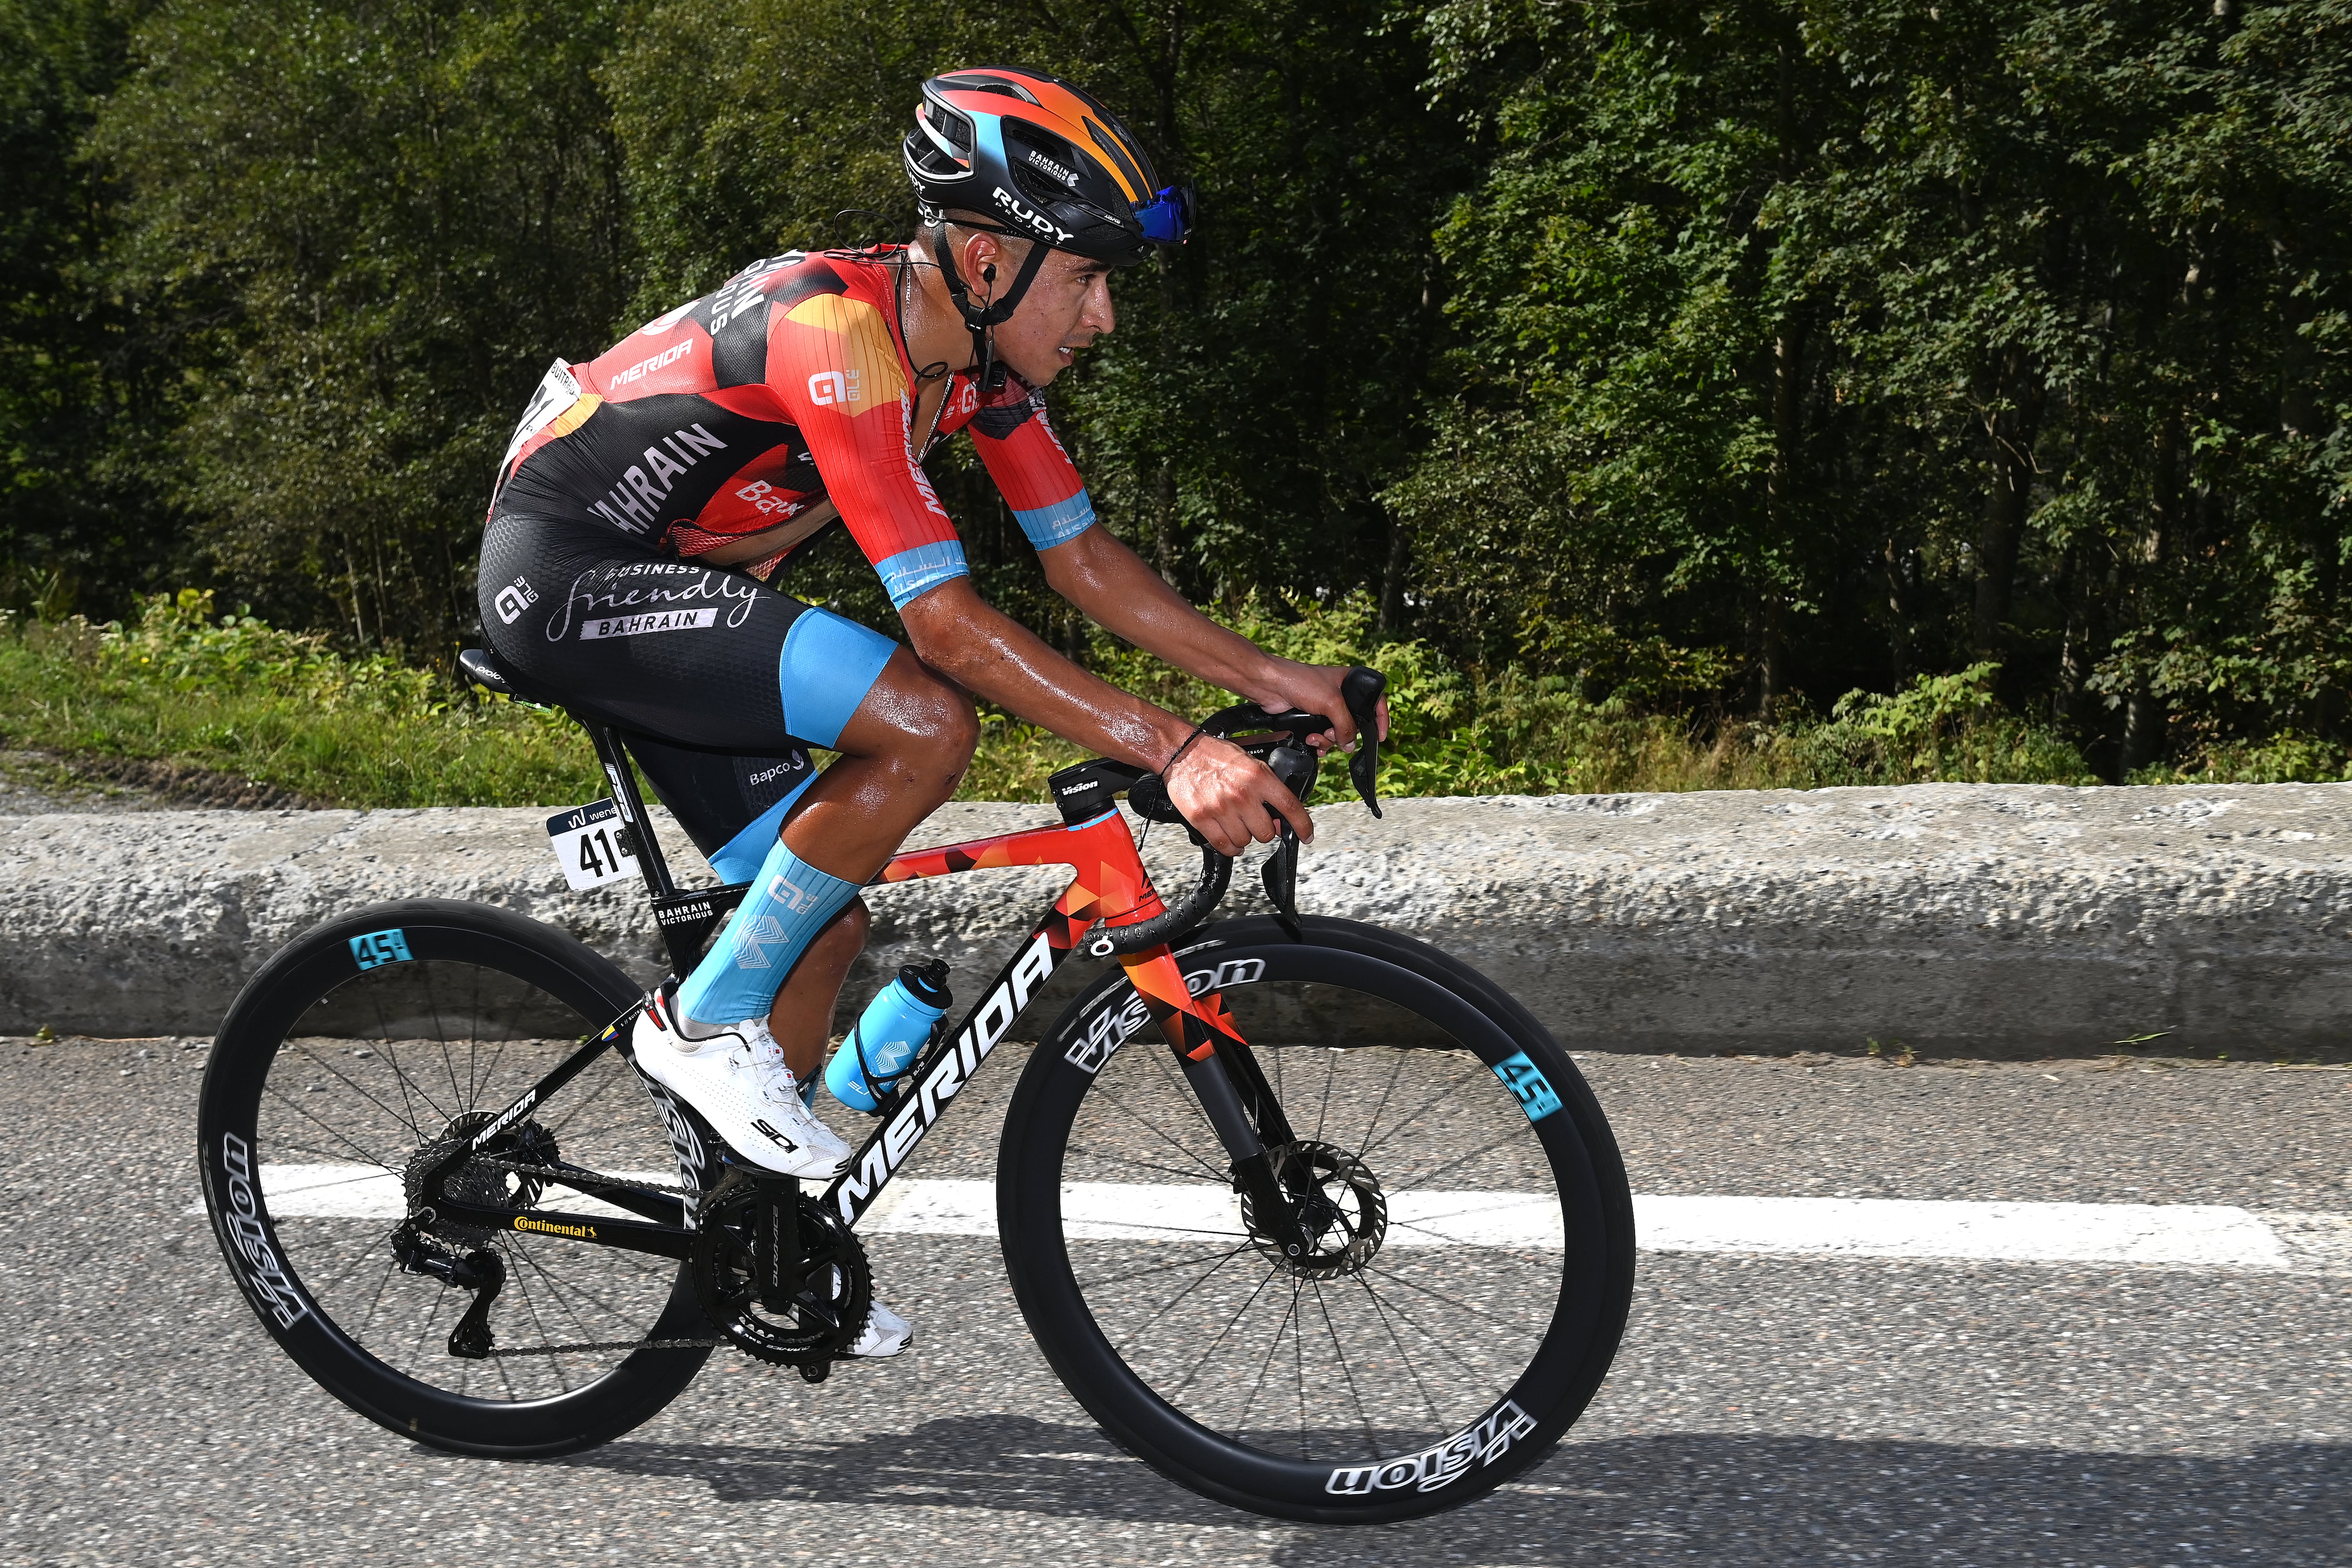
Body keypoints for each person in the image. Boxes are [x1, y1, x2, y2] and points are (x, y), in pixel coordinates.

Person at [477, 67, 1385, 1358]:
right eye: (1087, 277)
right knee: (924, 722)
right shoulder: (835, 332)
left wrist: (1274, 683)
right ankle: (699, 1028)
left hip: (676, 592)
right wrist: (1176, 751)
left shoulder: (977, 372)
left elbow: (1083, 563)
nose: (1106, 315)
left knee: (821, 921)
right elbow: (946, 630)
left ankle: (759, 1245)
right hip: (563, 574)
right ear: (985, 255)